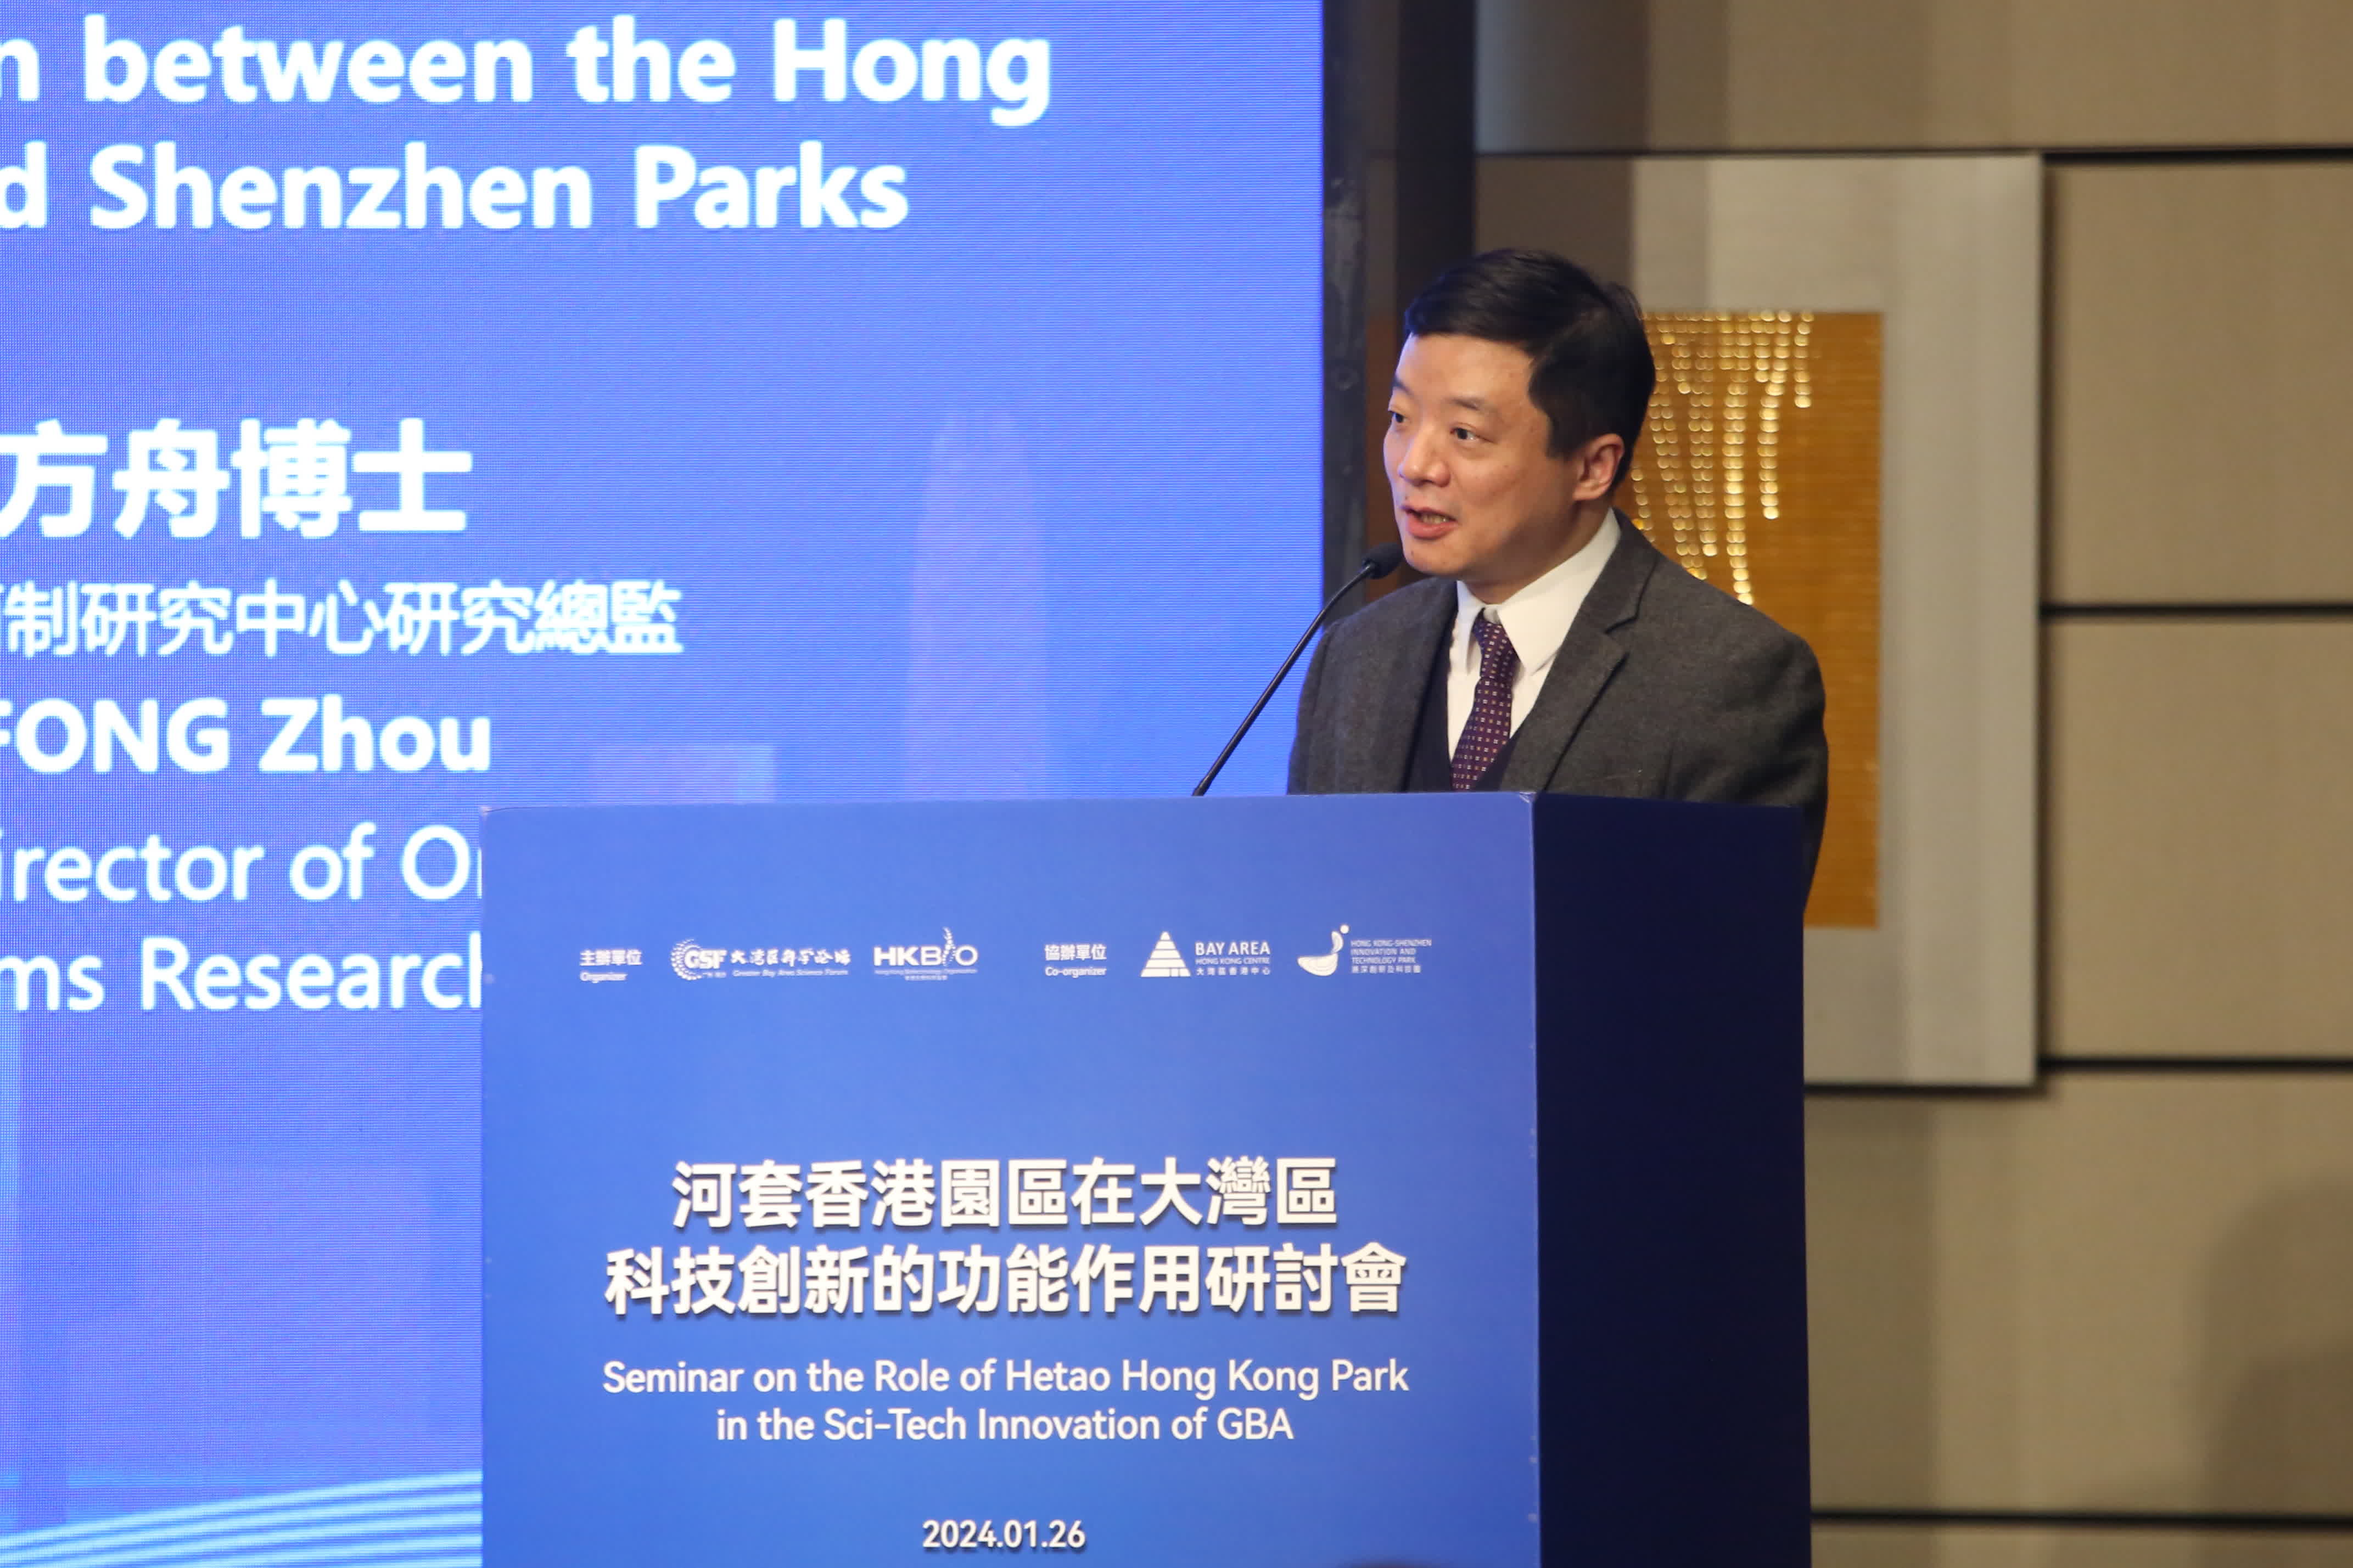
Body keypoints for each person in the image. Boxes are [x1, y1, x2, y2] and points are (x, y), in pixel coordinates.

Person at [1287, 248, 1830, 882]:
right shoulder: (1354, 657)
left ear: (1592, 467)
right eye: (1400, 419)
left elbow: (1721, 935)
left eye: (1463, 434)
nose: (1414, 465)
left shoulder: (1729, 675)